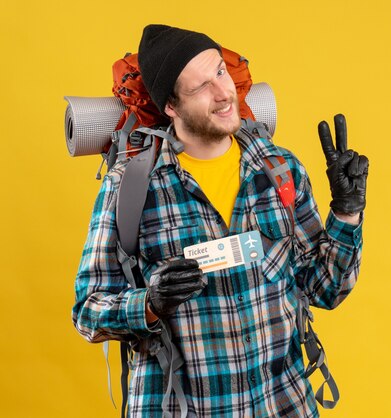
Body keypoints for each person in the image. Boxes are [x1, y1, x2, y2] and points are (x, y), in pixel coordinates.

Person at [73, 24, 369, 417]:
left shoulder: (279, 170)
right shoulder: (129, 190)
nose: (222, 93)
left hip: (281, 404)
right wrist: (149, 302)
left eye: (219, 72)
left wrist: (347, 211)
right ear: (171, 107)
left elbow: (325, 288)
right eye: (199, 88)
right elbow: (87, 312)